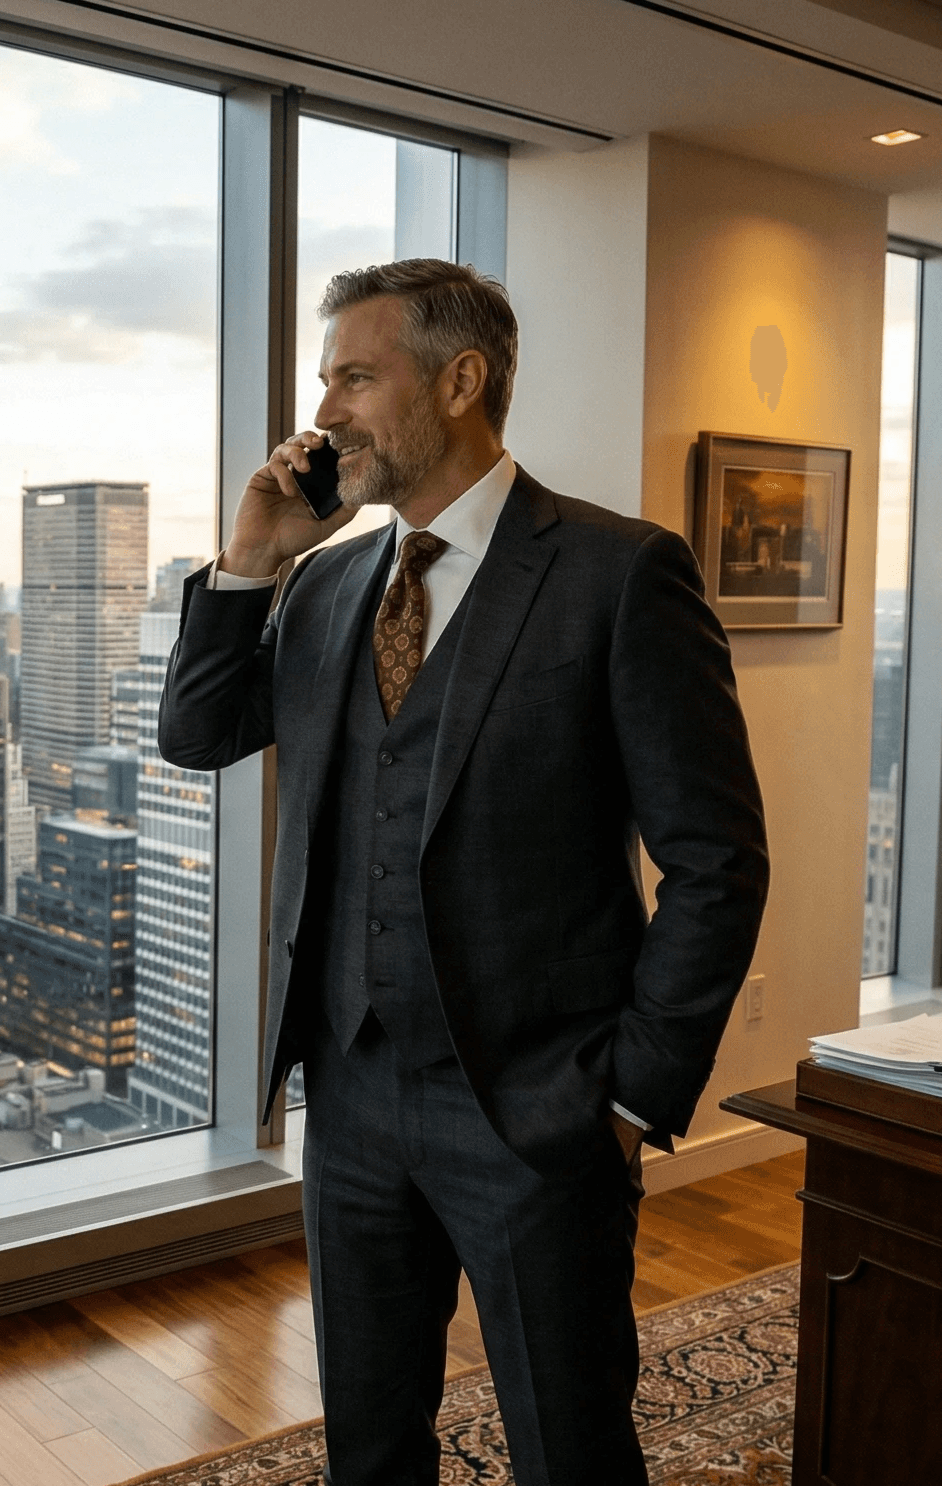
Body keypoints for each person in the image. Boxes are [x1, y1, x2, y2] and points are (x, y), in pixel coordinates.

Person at [158, 259, 768, 1486]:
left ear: (460, 378)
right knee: (370, 1447)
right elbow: (197, 735)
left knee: (568, 1447)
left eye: (352, 375)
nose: (321, 410)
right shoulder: (328, 581)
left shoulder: (615, 573)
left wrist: (629, 1095)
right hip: (350, 1097)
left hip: (539, 1109)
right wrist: (249, 556)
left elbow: (715, 861)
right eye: (323, 378)